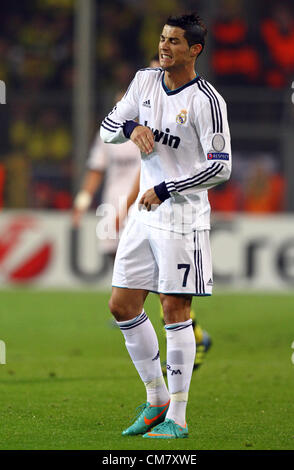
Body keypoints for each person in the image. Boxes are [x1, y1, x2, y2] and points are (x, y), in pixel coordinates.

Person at [100, 13, 232, 439]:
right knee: (121, 305)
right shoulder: (144, 81)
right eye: (162, 38)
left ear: (194, 50)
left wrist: (168, 187)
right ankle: (155, 399)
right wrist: (131, 125)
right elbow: (106, 130)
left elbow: (221, 167)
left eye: (175, 41)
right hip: (146, 213)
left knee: (175, 310)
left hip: (182, 217)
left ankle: (178, 415)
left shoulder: (206, 101)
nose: (164, 46)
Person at [72, 91, 141, 260]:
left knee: (139, 258)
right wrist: (81, 204)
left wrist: (125, 211)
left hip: (140, 204)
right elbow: (95, 172)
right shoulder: (106, 135)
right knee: (114, 256)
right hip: (112, 203)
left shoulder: (148, 133)